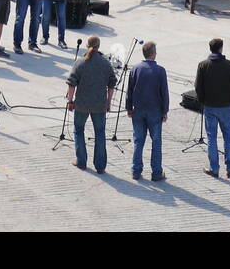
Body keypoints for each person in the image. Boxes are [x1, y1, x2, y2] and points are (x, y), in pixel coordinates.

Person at [65, 36, 118, 173]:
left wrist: (70, 101)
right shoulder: (106, 64)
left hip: (82, 104)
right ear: (99, 47)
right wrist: (108, 101)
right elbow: (112, 84)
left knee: (79, 130)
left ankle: (81, 161)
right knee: (100, 133)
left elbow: (71, 84)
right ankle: (100, 166)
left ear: (86, 46)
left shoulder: (80, 62)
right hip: (99, 105)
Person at [195, 38, 230, 178]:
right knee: (228, 137)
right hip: (226, 107)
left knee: (212, 138)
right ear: (221, 48)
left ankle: (214, 168)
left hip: (210, 107)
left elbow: (198, 87)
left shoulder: (203, 65)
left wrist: (203, 101)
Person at [127, 41, 169, 181]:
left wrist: (129, 107)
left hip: (138, 110)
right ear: (153, 53)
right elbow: (164, 92)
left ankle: (136, 171)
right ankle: (156, 172)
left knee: (138, 141)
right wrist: (165, 111)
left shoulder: (136, 69)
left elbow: (130, 90)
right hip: (155, 111)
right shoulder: (160, 70)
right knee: (156, 141)